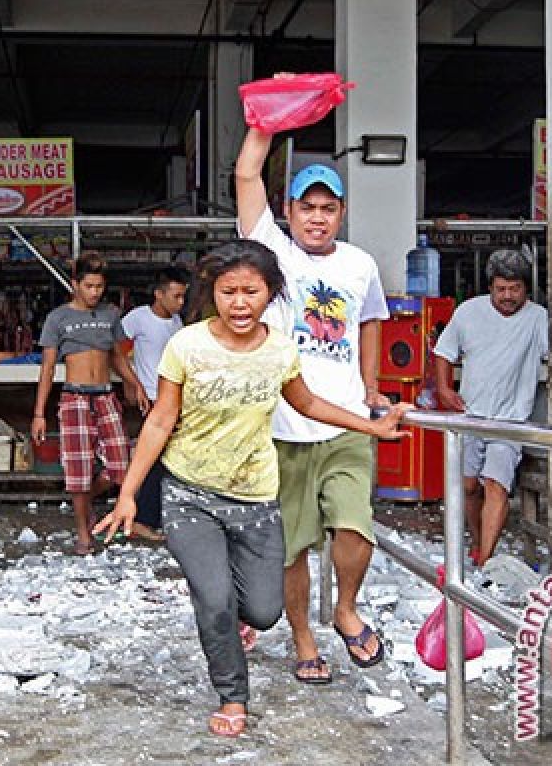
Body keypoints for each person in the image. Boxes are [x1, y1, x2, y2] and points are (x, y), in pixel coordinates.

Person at [95, 240, 410, 738]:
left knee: (264, 611)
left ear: (270, 294)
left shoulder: (280, 351)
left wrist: (372, 427)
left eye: (251, 292)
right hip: (189, 493)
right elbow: (160, 421)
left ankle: (232, 619)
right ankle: (233, 696)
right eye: (228, 292)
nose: (239, 303)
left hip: (256, 498)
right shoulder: (187, 346)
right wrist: (129, 493)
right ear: (212, 293)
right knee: (215, 597)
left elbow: (307, 404)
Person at [235, 124, 391, 684]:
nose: (318, 218)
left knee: (354, 528)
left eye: (328, 208)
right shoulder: (273, 253)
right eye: (308, 208)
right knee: (291, 549)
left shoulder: (359, 265)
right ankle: (304, 639)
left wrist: (371, 386)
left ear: (341, 213)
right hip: (282, 430)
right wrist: (265, 124)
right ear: (290, 211)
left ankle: (345, 609)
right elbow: (246, 173)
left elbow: (372, 319)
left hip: (345, 422)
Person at [432, 248, 549, 567]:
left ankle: (484, 559)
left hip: (509, 423)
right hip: (470, 416)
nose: (508, 296)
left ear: (526, 288)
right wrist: (444, 389)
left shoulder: (539, 318)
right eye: (501, 289)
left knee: (496, 486)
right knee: (469, 487)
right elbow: (443, 352)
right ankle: (477, 538)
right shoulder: (469, 312)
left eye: (515, 289)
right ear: (490, 288)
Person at [32, 253, 149, 556]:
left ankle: (85, 505)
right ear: (75, 285)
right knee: (79, 470)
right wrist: (38, 414)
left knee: (120, 466)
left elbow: (119, 359)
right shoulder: (58, 318)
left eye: (99, 286)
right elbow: (46, 368)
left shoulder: (110, 315)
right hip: (74, 397)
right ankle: (83, 532)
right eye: (89, 286)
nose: (95, 292)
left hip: (106, 395)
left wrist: (136, 385)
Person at [118, 266, 190, 539]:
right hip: (148, 398)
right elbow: (117, 351)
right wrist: (132, 383)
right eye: (176, 296)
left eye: (183, 297)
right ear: (159, 295)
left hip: (168, 398)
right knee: (152, 460)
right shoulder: (138, 318)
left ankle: (150, 515)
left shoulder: (176, 323)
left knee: (161, 460)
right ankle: (142, 518)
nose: (180, 302)